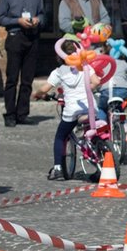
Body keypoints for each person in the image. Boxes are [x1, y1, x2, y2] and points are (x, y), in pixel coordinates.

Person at [32, 40, 101, 180]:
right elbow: (97, 82)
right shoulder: (85, 66)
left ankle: (58, 167)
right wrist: (87, 89)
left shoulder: (59, 72)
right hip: (90, 107)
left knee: (60, 136)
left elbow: (45, 88)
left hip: (72, 110)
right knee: (94, 136)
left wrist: (37, 94)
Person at [0, 0, 45, 127]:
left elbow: (42, 14)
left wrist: (38, 20)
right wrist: (17, 21)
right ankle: (10, 114)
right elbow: (0, 18)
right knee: (12, 79)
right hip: (15, 37)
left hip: (32, 38)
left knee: (27, 79)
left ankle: (22, 113)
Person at [96, 44, 127, 122]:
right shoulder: (122, 63)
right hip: (122, 90)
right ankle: (123, 125)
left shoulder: (101, 63)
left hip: (106, 90)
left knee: (102, 108)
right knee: (120, 107)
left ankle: (101, 128)